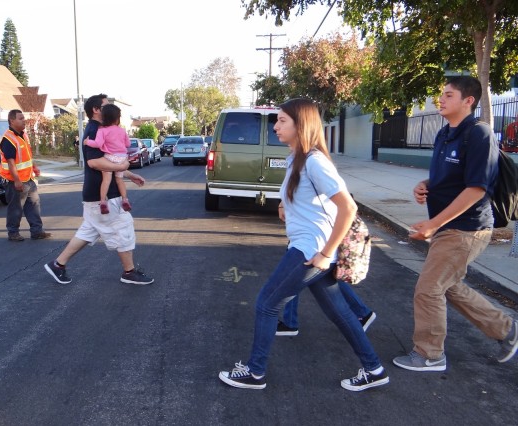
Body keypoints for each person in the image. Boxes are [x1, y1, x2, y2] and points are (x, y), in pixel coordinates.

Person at [218, 98, 389, 392]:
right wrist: (286, 205)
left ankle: (255, 372)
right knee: (340, 313)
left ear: (301, 125)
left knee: (267, 303)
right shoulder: (297, 159)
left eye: (282, 120)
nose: (276, 126)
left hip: (312, 251)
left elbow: (347, 208)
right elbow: (309, 198)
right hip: (313, 249)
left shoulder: (314, 161)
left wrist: (324, 254)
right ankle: (374, 369)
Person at [393, 76, 518, 372]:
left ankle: (430, 354)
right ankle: (507, 331)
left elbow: (476, 188)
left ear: (468, 101)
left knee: (428, 289)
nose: (441, 99)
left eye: (448, 95)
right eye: (442, 94)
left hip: (467, 228)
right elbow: (445, 177)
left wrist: (433, 224)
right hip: (449, 227)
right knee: (447, 286)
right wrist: (424, 185)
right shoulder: (445, 133)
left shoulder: (479, 134)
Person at [44, 94, 153, 286]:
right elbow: (94, 161)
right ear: (96, 109)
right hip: (103, 196)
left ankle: (58, 264)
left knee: (89, 231)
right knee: (122, 227)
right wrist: (122, 167)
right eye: (106, 105)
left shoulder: (101, 129)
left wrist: (128, 174)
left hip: (95, 195)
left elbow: (111, 159)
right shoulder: (95, 130)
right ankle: (129, 272)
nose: (109, 108)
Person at [0, 109, 51, 242]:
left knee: (34, 204)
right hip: (14, 180)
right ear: (12, 121)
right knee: (16, 208)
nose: (24, 120)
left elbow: (26, 156)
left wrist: (34, 167)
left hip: (28, 178)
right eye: (20, 118)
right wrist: (16, 181)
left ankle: (37, 231)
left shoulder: (23, 135)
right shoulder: (8, 139)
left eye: (24, 118)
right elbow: (11, 163)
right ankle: (13, 232)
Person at [83, 104, 132, 214]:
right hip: (122, 157)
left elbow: (97, 143)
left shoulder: (102, 130)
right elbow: (128, 144)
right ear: (118, 118)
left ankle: (103, 201)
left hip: (110, 157)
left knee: (106, 180)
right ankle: (125, 199)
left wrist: (87, 142)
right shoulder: (122, 130)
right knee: (119, 180)